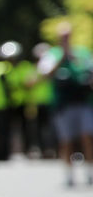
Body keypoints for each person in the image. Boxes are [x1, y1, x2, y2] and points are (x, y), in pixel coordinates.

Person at [37, 22, 93, 186]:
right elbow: (45, 74)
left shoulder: (82, 53)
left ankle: (89, 171)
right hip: (62, 104)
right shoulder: (52, 54)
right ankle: (69, 174)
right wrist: (62, 57)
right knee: (66, 140)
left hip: (83, 102)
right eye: (63, 37)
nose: (66, 39)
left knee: (87, 136)